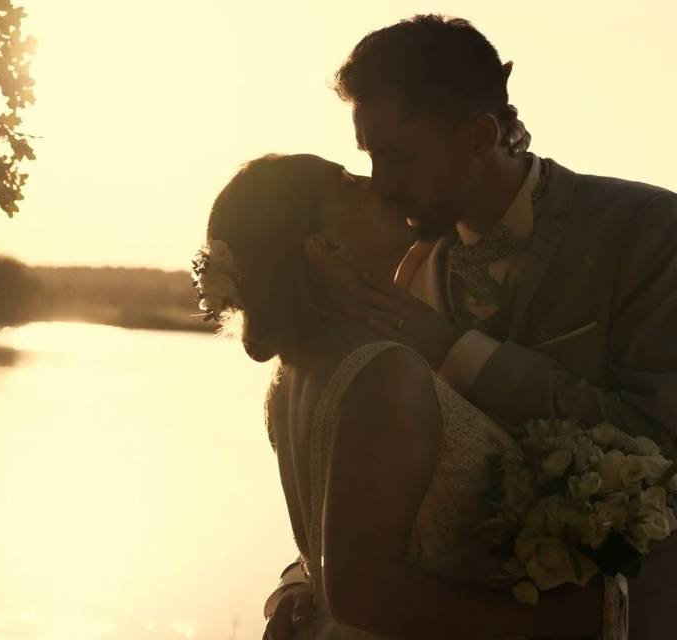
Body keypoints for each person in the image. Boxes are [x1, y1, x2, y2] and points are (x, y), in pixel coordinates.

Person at [262, 14, 677, 640]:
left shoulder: (649, 232)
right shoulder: (409, 272)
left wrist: (453, 350)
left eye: (399, 156)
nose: (382, 185)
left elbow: (660, 436)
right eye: (371, 158)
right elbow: (374, 482)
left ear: (481, 135)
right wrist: (302, 580)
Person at [195, 153, 605, 639]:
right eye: (347, 182)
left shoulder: (293, 379)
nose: (378, 183)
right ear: (326, 248)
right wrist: (548, 622)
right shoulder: (381, 372)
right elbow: (361, 592)